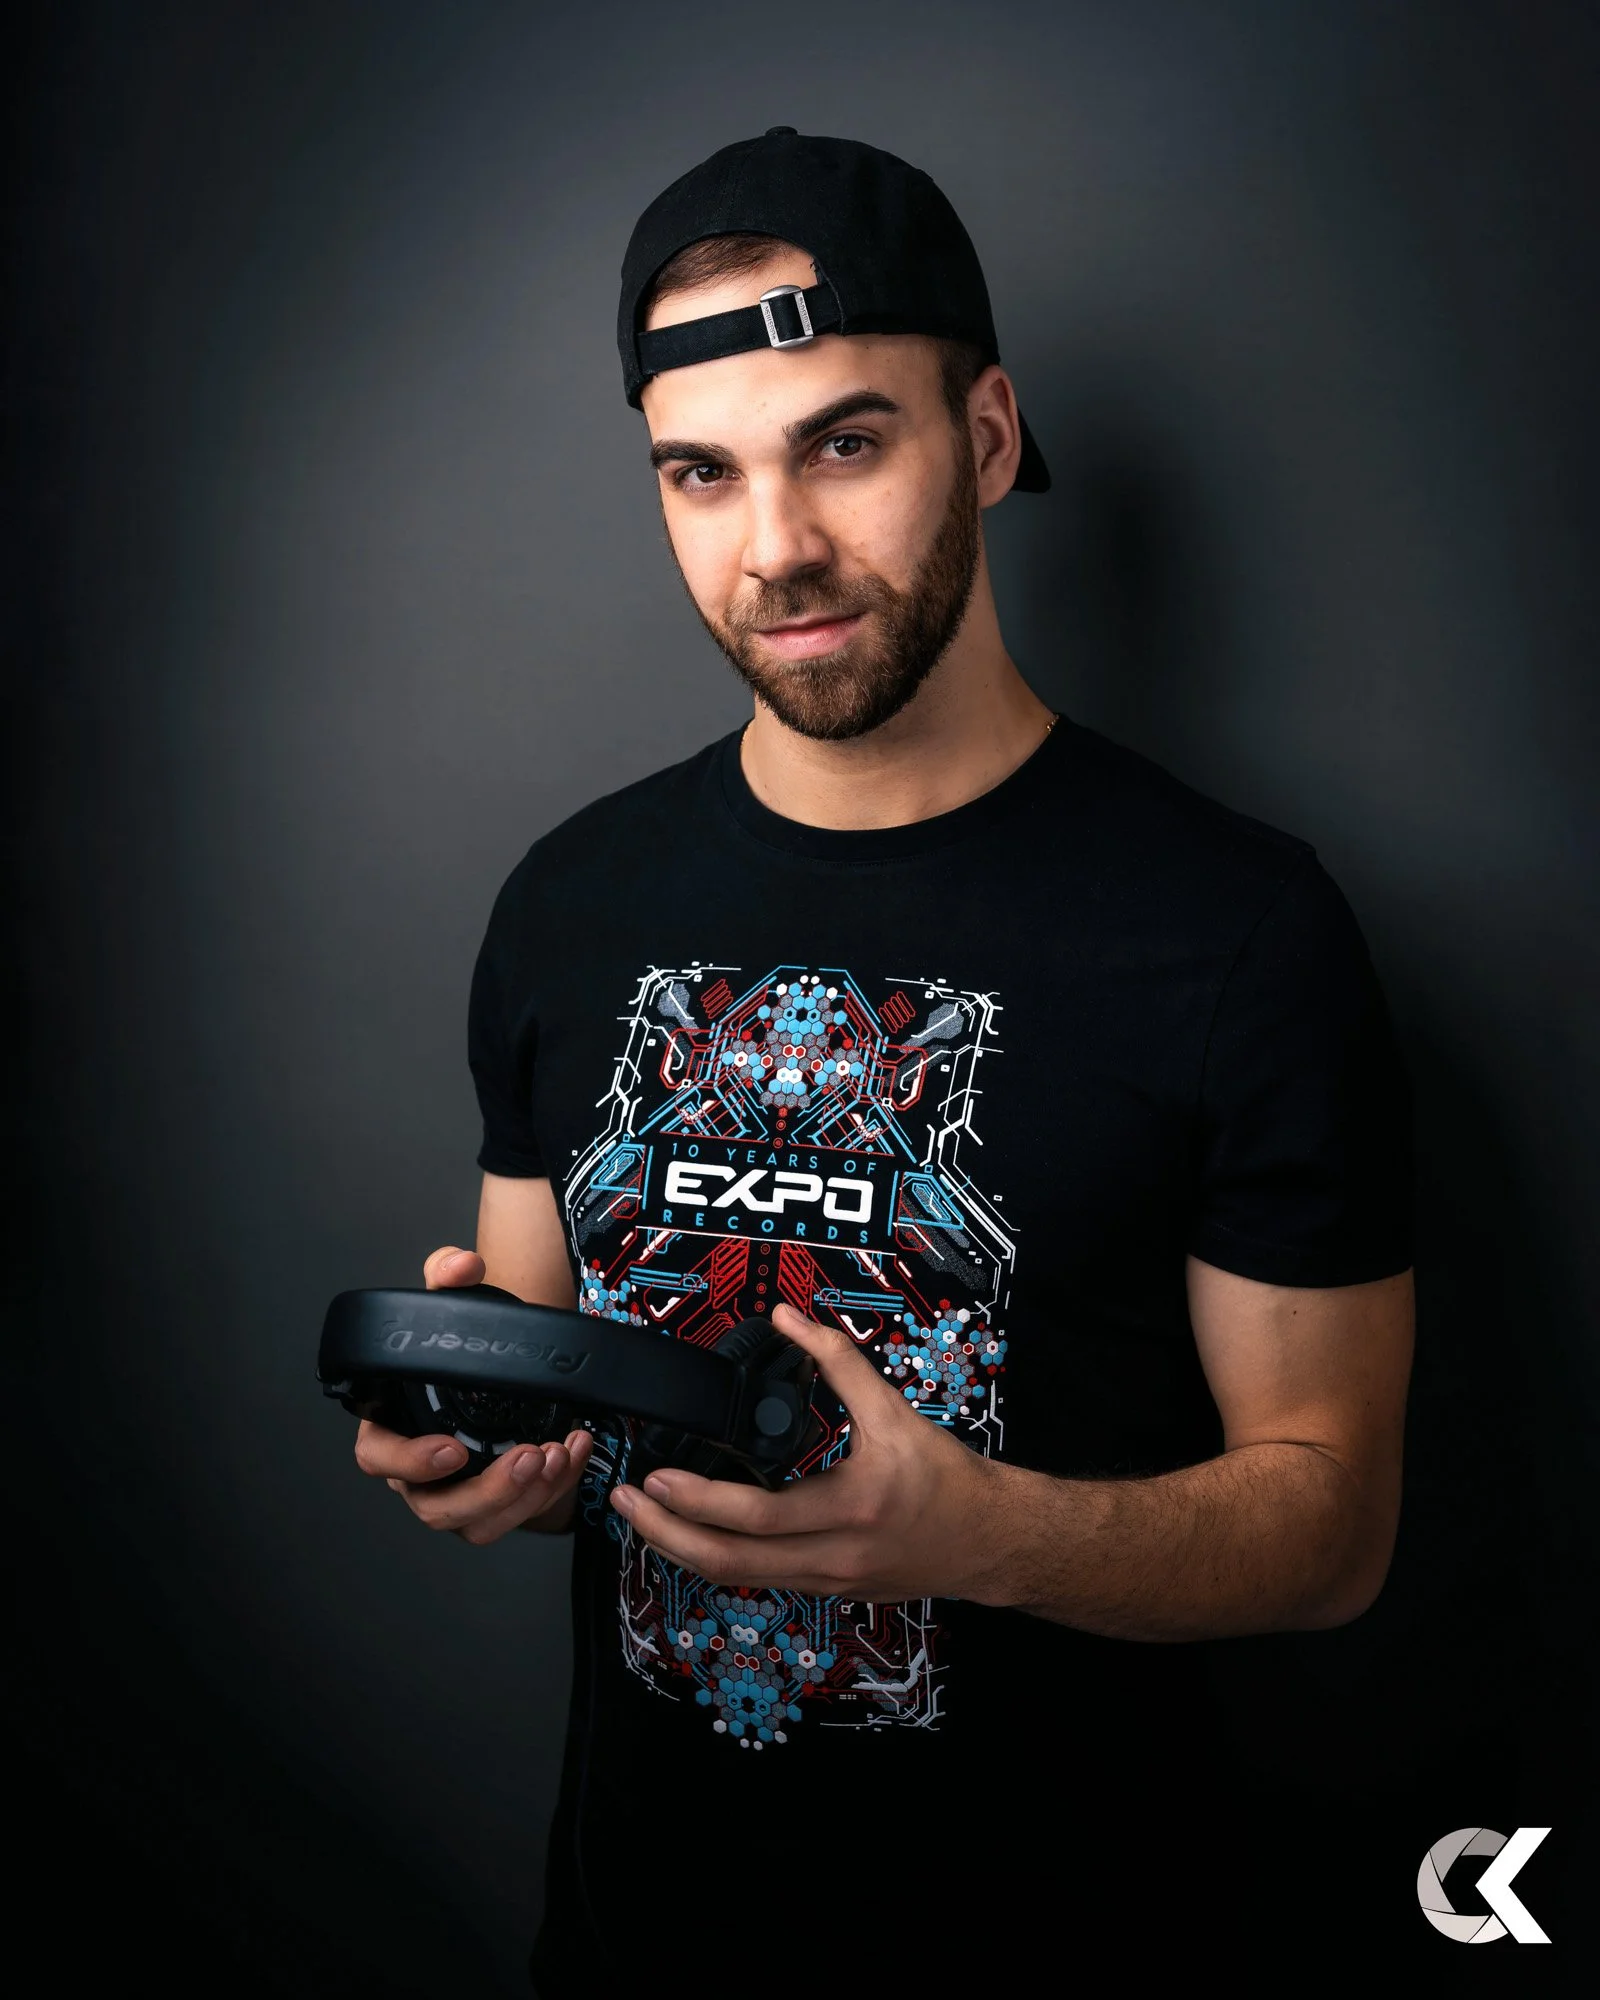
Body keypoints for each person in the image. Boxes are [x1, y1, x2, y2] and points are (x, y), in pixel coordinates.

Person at [353, 129, 1415, 1986]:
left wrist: (977, 1534)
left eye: (845, 444)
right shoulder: (569, 902)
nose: (775, 549)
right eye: (703, 474)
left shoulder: (1240, 932)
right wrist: (502, 1457)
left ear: (988, 438)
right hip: (637, 1942)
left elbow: (1332, 1523)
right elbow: (555, 1382)